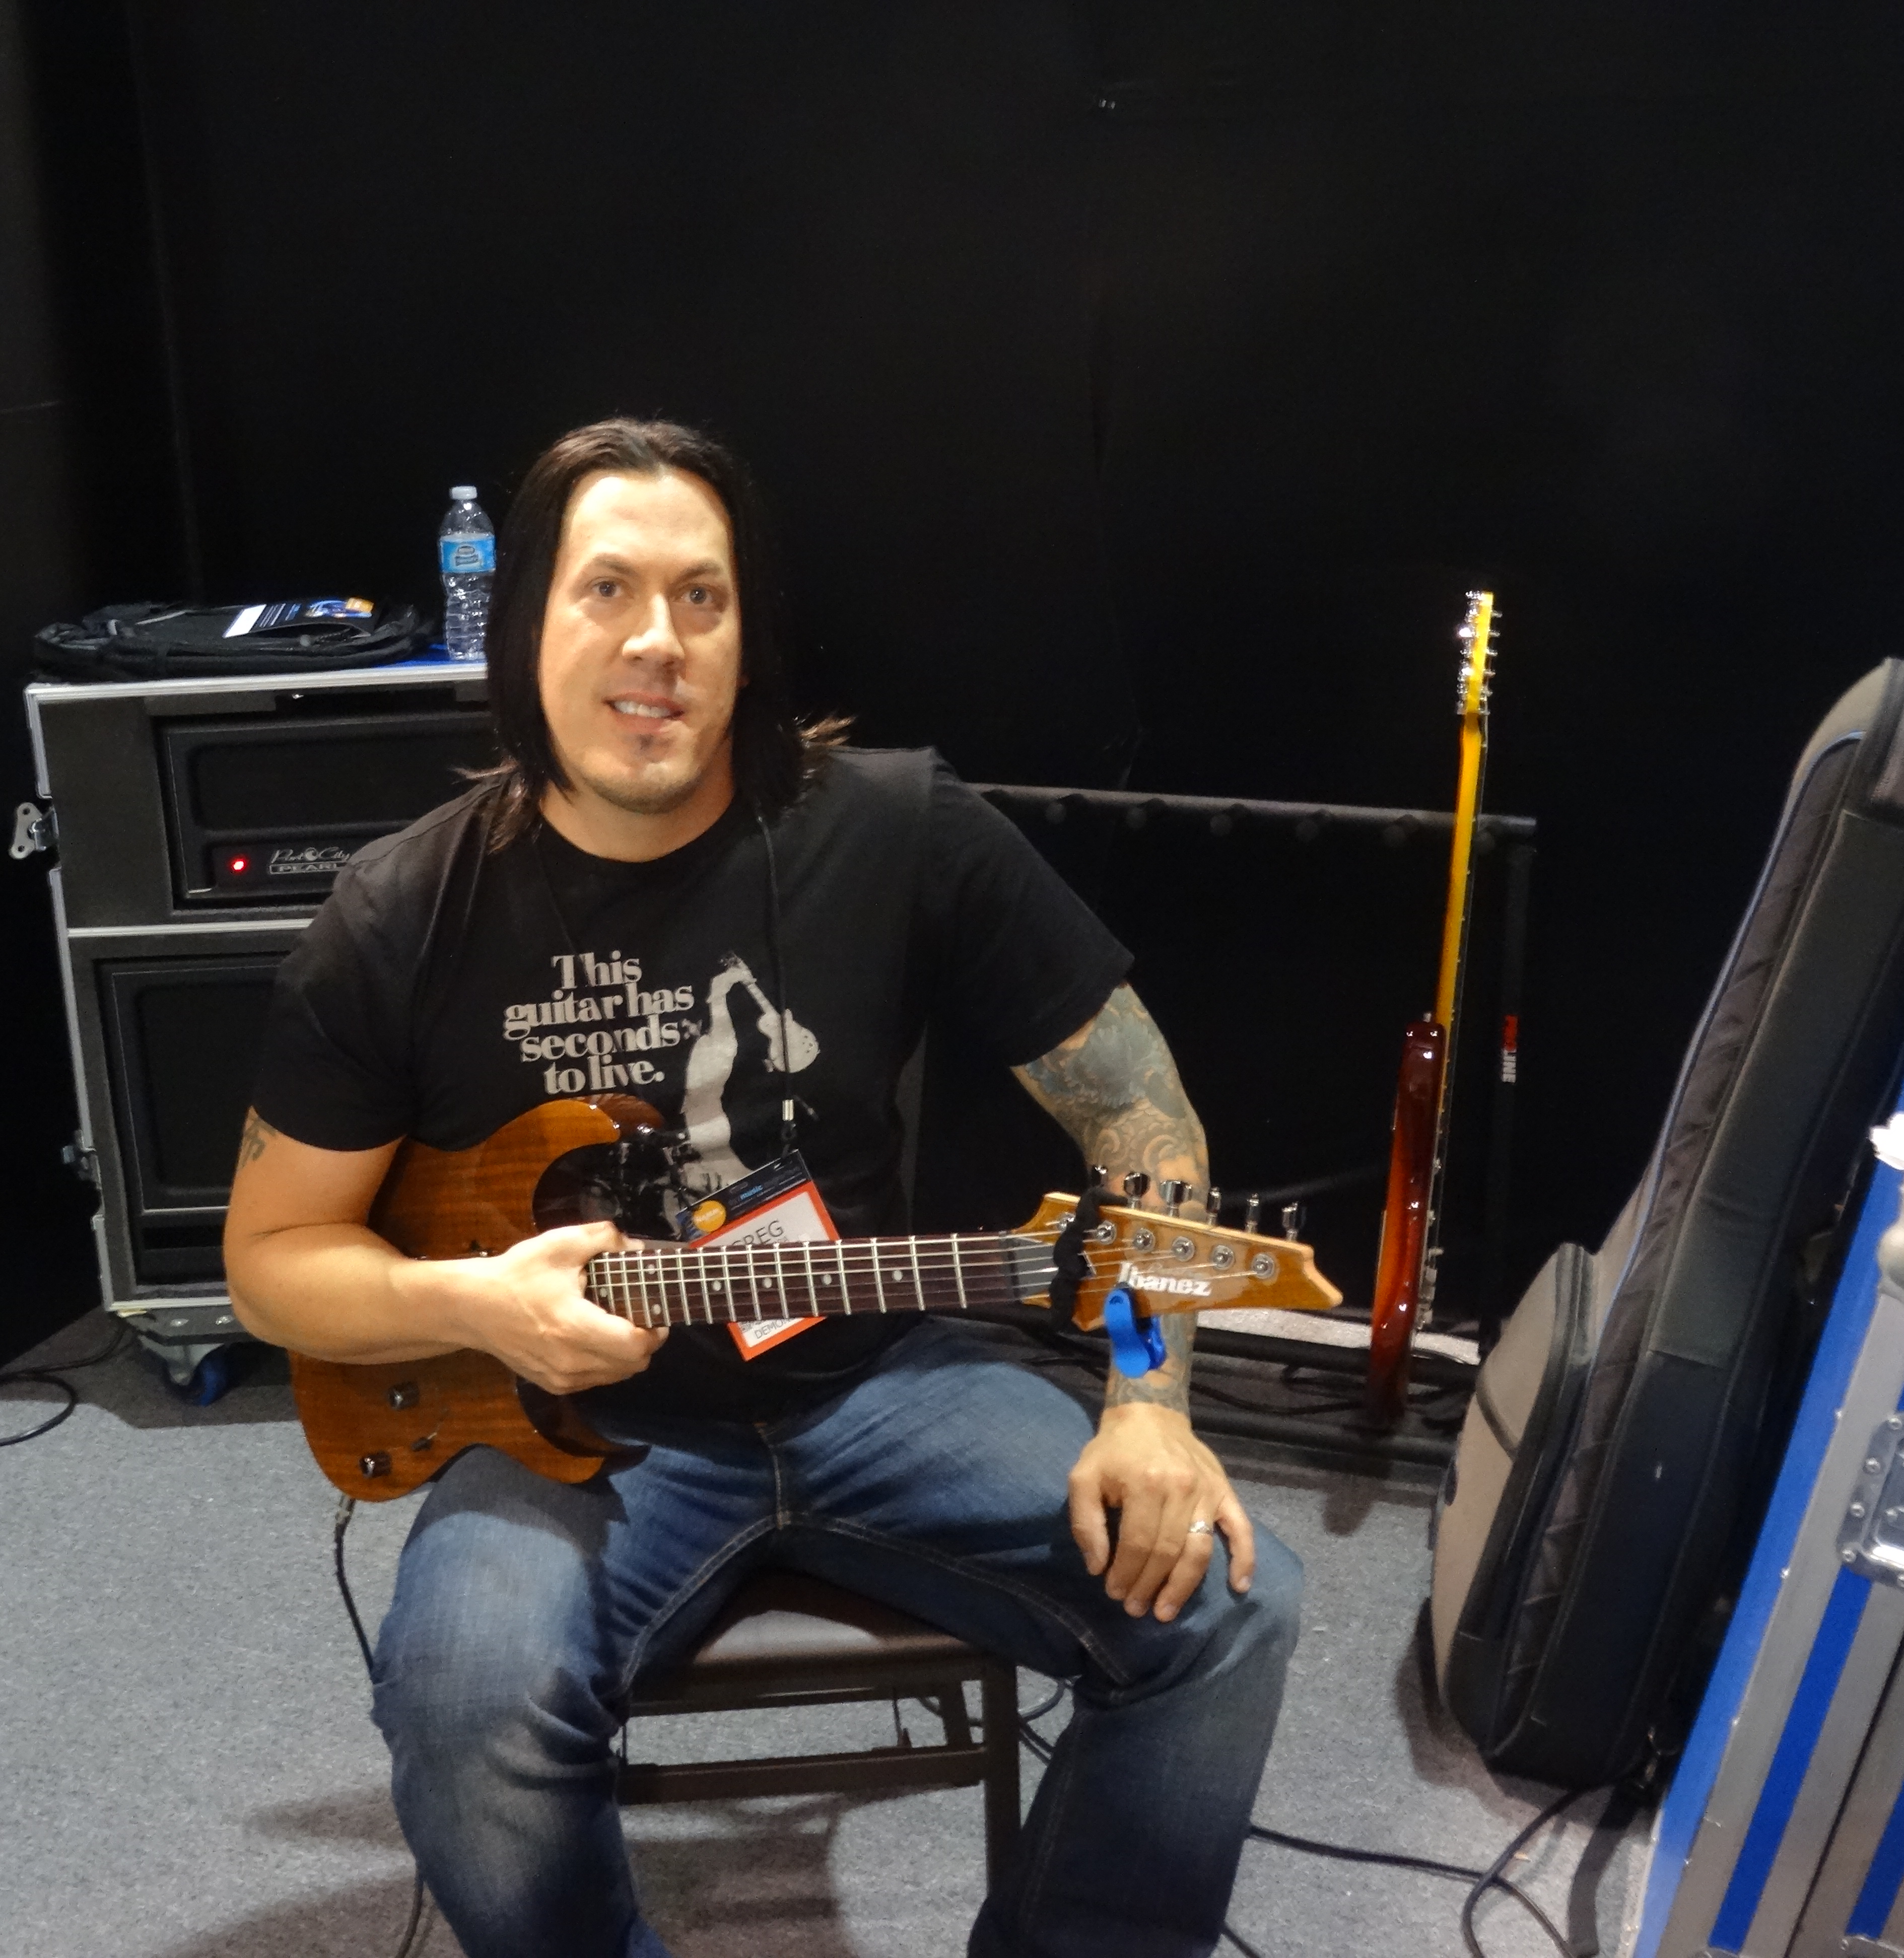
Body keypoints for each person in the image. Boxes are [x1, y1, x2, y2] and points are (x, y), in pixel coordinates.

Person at [225, 418, 1300, 1958]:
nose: (655, 642)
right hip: (569, 1434)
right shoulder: (399, 914)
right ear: (526, 621)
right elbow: (272, 1261)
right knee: (463, 1700)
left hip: (876, 1384)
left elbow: (1147, 1130)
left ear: (749, 637)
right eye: (607, 589)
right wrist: (476, 1306)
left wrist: (1149, 1400)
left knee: (1231, 1609)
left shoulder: (899, 828)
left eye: (702, 598)